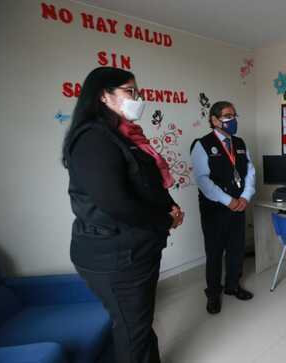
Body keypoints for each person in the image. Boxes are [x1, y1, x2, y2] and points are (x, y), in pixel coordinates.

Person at [62, 67, 184, 363]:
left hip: (135, 246)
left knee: (137, 324)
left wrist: (169, 204)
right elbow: (115, 203)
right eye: (130, 91)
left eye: (137, 92)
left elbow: (144, 181)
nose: (137, 98)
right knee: (133, 330)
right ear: (104, 96)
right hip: (115, 254)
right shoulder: (94, 139)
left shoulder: (124, 135)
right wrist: (164, 219)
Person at [190, 101, 256, 314]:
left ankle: (233, 286)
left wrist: (245, 196)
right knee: (215, 252)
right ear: (214, 120)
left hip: (239, 205)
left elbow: (250, 172)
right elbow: (202, 180)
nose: (233, 120)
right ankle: (213, 293)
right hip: (215, 209)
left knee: (237, 248)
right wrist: (228, 200)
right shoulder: (202, 144)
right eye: (228, 116)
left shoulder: (240, 143)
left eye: (234, 115)